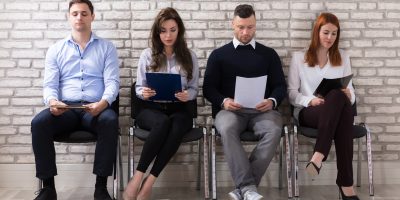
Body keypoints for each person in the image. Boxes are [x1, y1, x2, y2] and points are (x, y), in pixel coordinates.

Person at [31, 0, 120, 199]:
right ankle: (48, 188)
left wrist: (103, 104)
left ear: (92, 16)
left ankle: (101, 187)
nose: (79, 17)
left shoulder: (107, 48)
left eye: (84, 13)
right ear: (69, 17)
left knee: (110, 119)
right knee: (38, 123)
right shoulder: (56, 49)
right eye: (75, 13)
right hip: (66, 110)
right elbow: (49, 85)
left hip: (95, 109)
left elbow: (112, 82)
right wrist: (52, 102)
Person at [203, 4, 286, 200]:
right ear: (233, 25)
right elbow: (208, 89)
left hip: (262, 112)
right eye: (241, 27)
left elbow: (280, 85)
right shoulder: (219, 55)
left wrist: (272, 101)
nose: (245, 32)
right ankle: (248, 188)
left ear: (255, 25)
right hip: (230, 112)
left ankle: (245, 187)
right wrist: (224, 102)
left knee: (274, 129)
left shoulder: (269, 54)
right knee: (227, 127)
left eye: (250, 27)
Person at [122, 7, 199, 200]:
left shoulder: (190, 57)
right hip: (151, 108)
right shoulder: (147, 55)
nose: (168, 35)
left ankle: (149, 182)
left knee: (177, 125)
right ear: (157, 32)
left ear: (179, 30)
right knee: (162, 123)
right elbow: (139, 87)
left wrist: (187, 95)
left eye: (172, 30)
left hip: (179, 108)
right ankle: (138, 176)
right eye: (163, 30)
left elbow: (194, 88)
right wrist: (144, 92)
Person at [287, 13, 359, 200]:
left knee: (338, 96)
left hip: (336, 111)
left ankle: (320, 157)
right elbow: (292, 93)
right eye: (326, 32)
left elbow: (350, 94)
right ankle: (346, 184)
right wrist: (310, 100)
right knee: (339, 102)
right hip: (308, 111)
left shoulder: (343, 57)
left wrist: (349, 96)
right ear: (316, 32)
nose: (330, 38)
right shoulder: (299, 58)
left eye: (334, 34)